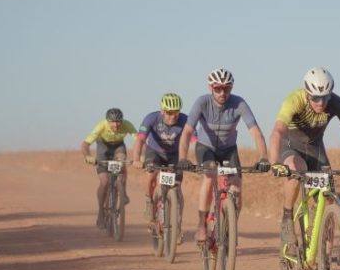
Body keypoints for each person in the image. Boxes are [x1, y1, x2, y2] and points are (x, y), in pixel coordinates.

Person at [268, 67, 340, 245]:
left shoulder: (336, 103)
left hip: (315, 149)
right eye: (315, 98)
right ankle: (287, 217)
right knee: (297, 170)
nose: (321, 102)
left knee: (330, 198)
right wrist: (274, 163)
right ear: (307, 93)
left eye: (325, 97)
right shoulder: (294, 100)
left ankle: (325, 254)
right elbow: (277, 132)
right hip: (290, 147)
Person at [178, 68, 270, 242]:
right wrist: (183, 158)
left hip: (228, 149)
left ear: (231, 88)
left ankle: (231, 224)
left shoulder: (239, 103)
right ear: (210, 88)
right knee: (209, 176)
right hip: (206, 148)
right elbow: (187, 132)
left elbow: (256, 132)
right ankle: (201, 225)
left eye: (226, 88)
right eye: (218, 88)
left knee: (237, 186)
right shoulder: (202, 102)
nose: (222, 93)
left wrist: (264, 157)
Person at [132, 93, 188, 223]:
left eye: (176, 112)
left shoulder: (185, 120)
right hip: (155, 151)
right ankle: (149, 201)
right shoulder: (151, 118)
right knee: (151, 175)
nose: (173, 116)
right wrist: (136, 159)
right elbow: (140, 140)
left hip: (174, 154)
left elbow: (194, 139)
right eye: (169, 112)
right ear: (162, 111)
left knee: (177, 187)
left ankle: (177, 223)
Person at [81, 108, 137, 228]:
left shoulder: (127, 125)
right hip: (103, 147)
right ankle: (101, 212)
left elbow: (139, 141)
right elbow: (85, 144)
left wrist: (142, 155)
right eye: (112, 122)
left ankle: (123, 192)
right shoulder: (101, 125)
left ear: (122, 121)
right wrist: (88, 156)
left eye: (118, 122)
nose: (116, 125)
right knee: (105, 181)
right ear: (107, 121)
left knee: (122, 160)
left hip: (118, 146)